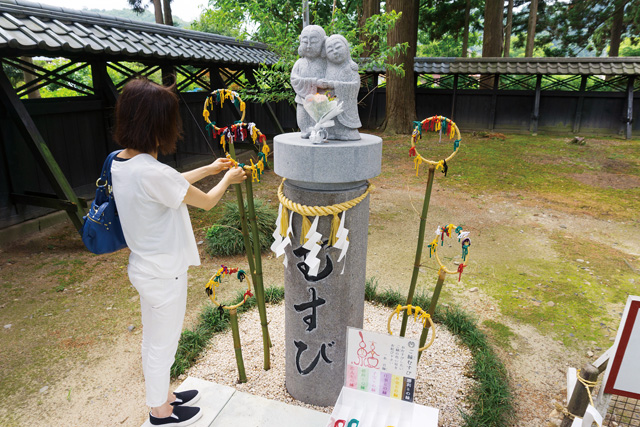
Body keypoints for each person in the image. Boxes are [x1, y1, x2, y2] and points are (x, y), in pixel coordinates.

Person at [110, 78, 246, 426]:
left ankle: (164, 395)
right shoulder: (151, 171)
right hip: (163, 272)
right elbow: (206, 202)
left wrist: (209, 168)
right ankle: (159, 410)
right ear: (156, 125)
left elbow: (168, 181)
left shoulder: (122, 163)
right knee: (162, 343)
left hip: (145, 266)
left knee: (155, 339)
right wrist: (226, 180)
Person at [318, 34, 361, 141]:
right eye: (330, 50)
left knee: (347, 126)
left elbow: (355, 85)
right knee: (330, 119)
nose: (335, 52)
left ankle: (347, 131)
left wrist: (335, 85)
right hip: (331, 102)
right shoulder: (327, 68)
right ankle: (332, 132)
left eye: (338, 47)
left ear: (346, 48)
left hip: (346, 106)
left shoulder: (350, 68)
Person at [290, 24, 327, 138]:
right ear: (301, 41)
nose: (309, 46)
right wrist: (314, 82)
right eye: (305, 42)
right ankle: (305, 131)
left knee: (319, 121)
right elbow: (294, 79)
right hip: (302, 100)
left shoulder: (326, 63)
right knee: (303, 120)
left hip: (320, 101)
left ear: (323, 42)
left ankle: (319, 133)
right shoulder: (299, 63)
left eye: (314, 42)